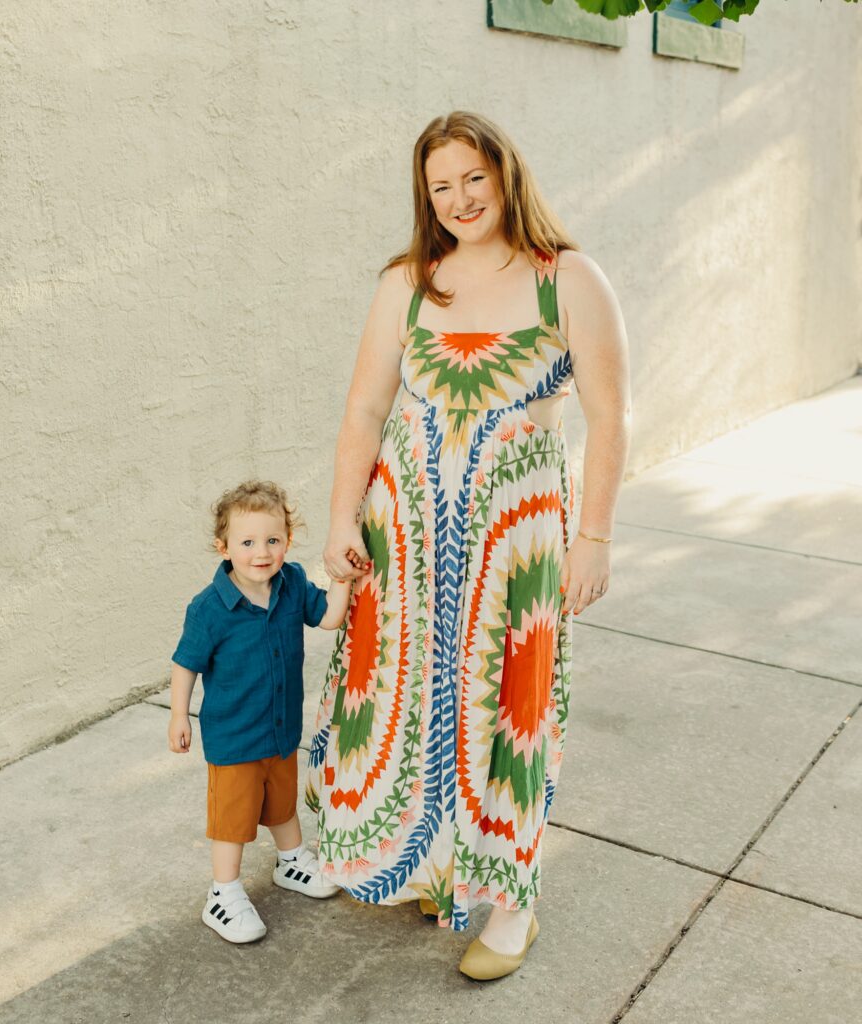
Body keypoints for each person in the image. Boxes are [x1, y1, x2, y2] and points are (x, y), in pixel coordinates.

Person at [307, 112, 631, 979]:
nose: (458, 199)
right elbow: (366, 412)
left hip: (514, 546)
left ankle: (513, 904)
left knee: (506, 708)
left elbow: (609, 419)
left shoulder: (568, 279)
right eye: (440, 186)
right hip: (404, 535)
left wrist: (593, 538)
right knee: (410, 703)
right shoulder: (410, 281)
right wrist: (342, 520)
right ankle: (429, 862)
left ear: (505, 173)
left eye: (472, 179)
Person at [168, 480, 353, 944]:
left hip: (280, 731)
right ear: (224, 547)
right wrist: (178, 716)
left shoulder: (290, 584)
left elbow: (329, 617)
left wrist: (343, 579)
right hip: (234, 738)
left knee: (281, 804)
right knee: (233, 820)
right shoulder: (209, 608)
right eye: (247, 542)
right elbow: (185, 664)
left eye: (272, 540)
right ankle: (223, 893)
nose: (261, 552)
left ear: (287, 542)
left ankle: (290, 863)